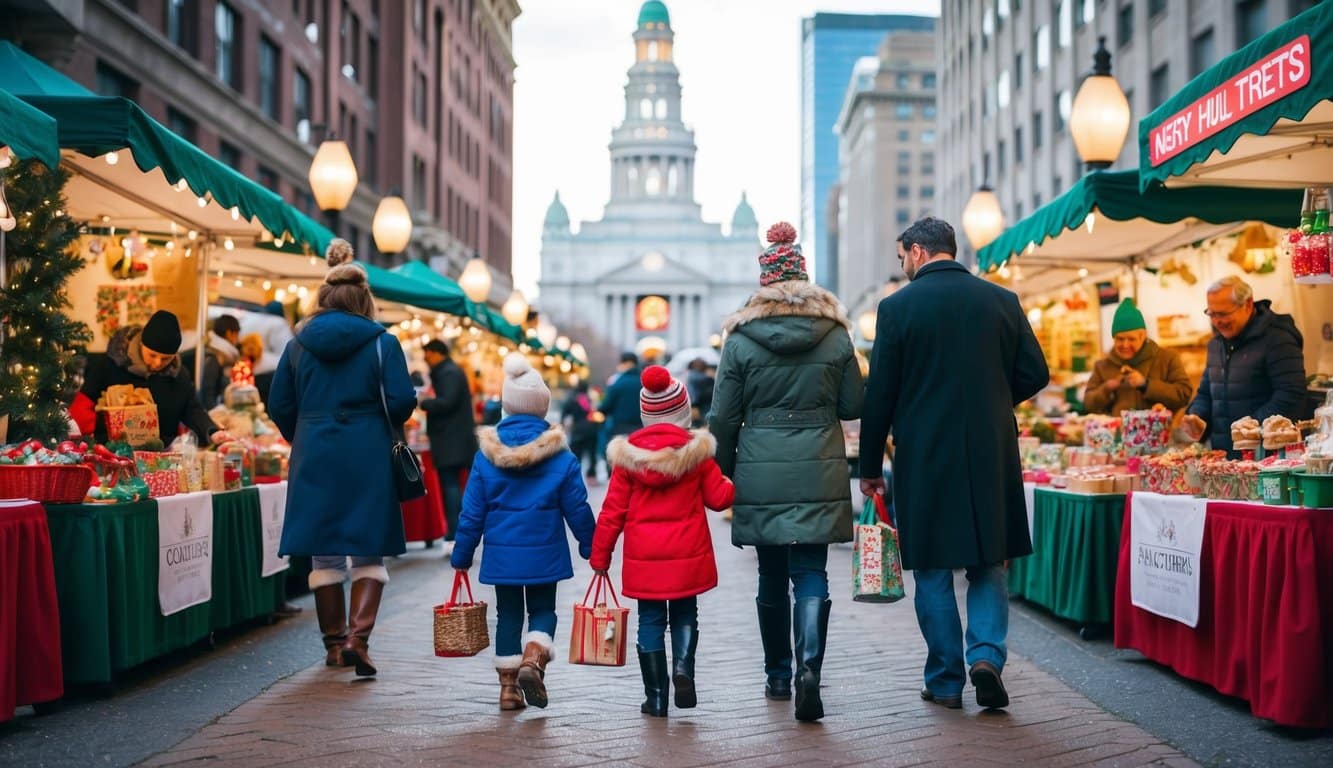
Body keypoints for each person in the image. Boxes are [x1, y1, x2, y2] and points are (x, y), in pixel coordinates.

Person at [858, 217, 1049, 712]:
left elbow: (878, 396)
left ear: (918, 252)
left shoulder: (897, 309)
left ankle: (945, 680)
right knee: (989, 559)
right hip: (991, 449)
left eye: (902, 258)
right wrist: (993, 401)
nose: (901, 268)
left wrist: (870, 464)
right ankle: (985, 657)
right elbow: (1035, 372)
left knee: (934, 568)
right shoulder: (1000, 300)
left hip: (924, 454)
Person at [708, 221, 864, 722]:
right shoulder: (837, 334)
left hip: (759, 468)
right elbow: (852, 404)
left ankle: (778, 673)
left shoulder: (739, 340)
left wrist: (724, 473)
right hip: (819, 462)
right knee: (813, 572)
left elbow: (722, 418)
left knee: (771, 575)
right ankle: (809, 669)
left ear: (765, 282)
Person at [268, 239, 417, 677]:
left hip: (314, 450)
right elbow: (402, 400)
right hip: (368, 450)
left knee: (324, 550)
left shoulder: (297, 345)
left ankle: (333, 645)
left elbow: (278, 403)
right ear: (364, 298)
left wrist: (304, 433)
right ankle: (359, 637)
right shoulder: (381, 343)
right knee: (369, 549)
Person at [450, 354, 596, 711]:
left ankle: (508, 689)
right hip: (545, 551)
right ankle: (534, 657)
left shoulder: (486, 455)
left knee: (509, 615)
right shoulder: (561, 457)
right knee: (543, 609)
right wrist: (591, 545)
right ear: (542, 408)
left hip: (502, 555)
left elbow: (472, 512)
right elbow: (577, 507)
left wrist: (462, 554)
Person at [591, 366, 735, 717]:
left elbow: (613, 511)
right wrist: (733, 481)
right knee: (686, 613)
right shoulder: (696, 452)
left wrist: (600, 556)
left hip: (645, 558)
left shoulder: (628, 458)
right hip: (688, 554)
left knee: (650, 620)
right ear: (683, 412)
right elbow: (719, 499)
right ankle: (683, 669)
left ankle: (655, 697)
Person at [1182, 276, 1307, 455]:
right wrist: (1197, 415)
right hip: (1224, 457)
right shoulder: (1216, 344)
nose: (1217, 321)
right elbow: (1206, 392)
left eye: (1223, 314)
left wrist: (1249, 428)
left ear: (1247, 305)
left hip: (1265, 458)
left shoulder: (1278, 340)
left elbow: (1291, 395)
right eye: (1212, 314)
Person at [72, 309, 230, 447]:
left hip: (162, 456)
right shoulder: (109, 365)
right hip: (113, 454)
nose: (157, 363)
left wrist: (212, 430)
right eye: (152, 355)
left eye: (166, 358)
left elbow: (192, 409)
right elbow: (83, 403)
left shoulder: (179, 375)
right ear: (141, 344)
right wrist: (91, 439)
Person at [1083, 299, 1192, 415]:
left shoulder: (1167, 358)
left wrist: (1146, 385)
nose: (1125, 345)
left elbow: (1184, 394)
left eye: (1131, 339)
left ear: (1143, 336)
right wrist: (1107, 388)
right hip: (1118, 432)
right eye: (1120, 339)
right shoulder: (1102, 366)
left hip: (1158, 431)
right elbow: (1088, 404)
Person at [419, 339, 477, 553]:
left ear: (435, 353)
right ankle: (457, 533)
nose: (425, 359)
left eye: (427, 354)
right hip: (454, 440)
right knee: (453, 487)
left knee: (451, 487)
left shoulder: (448, 373)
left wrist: (423, 402)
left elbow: (447, 402)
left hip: (450, 441)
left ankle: (455, 534)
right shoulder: (449, 371)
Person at [181, 314, 241, 409]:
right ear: (229, 333)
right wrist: (215, 415)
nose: (238, 340)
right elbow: (207, 392)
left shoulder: (216, 351)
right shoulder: (214, 355)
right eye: (237, 335)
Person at [250, 301, 295, 405]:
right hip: (269, 374)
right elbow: (284, 351)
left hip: (248, 370)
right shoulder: (278, 322)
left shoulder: (251, 318)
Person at [561, 380, 600, 484]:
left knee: (576, 455)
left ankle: (574, 477)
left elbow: (564, 413)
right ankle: (591, 476)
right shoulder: (590, 398)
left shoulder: (572, 399)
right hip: (591, 429)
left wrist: (562, 425)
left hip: (577, 430)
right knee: (592, 454)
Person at [599, 352, 643, 438]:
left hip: (620, 429)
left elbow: (607, 405)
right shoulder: (643, 382)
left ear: (627, 363)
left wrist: (599, 410)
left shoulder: (618, 382)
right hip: (641, 429)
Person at [685, 358, 715, 426]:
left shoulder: (690, 376)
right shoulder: (709, 378)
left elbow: (691, 393)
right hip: (707, 407)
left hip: (696, 407)